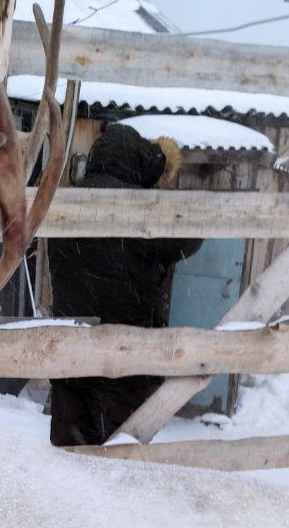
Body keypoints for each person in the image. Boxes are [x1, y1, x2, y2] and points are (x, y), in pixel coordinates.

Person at [47, 120, 201, 447]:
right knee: (119, 462)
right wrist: (158, 201)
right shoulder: (137, 212)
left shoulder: (67, 204)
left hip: (70, 353)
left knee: (68, 456)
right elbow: (189, 241)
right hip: (125, 358)